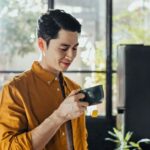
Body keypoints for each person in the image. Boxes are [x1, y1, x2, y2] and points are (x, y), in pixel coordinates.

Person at [0, 9, 89, 150]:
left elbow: (81, 142)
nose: (71, 56)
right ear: (42, 45)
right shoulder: (14, 90)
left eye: (75, 48)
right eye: (64, 48)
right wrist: (59, 116)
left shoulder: (73, 88)